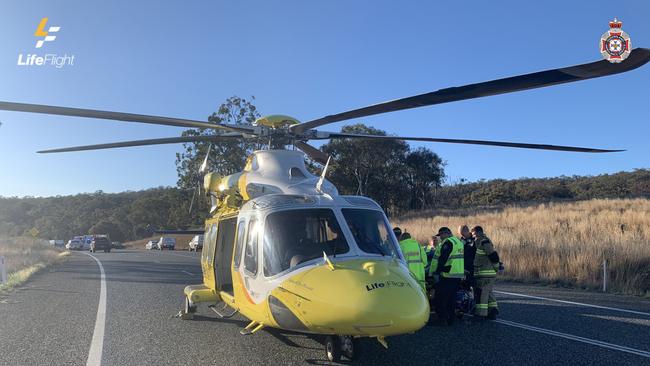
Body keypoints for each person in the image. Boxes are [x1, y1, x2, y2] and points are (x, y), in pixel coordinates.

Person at [428, 227, 464, 326]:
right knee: (451, 299)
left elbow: (443, 258)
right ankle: (450, 319)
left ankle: (442, 319)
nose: (440, 238)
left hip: (447, 275)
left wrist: (437, 271)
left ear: (446, 233)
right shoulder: (458, 242)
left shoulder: (447, 243)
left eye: (441, 235)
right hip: (456, 276)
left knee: (440, 299)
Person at [471, 226, 500, 320]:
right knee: (488, 292)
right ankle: (492, 310)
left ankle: (481, 314)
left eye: (474, 234)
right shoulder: (479, 242)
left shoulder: (484, 242)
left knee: (482, 293)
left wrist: (496, 268)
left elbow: (493, 255)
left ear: (479, 233)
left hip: (486, 273)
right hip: (483, 272)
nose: (473, 237)